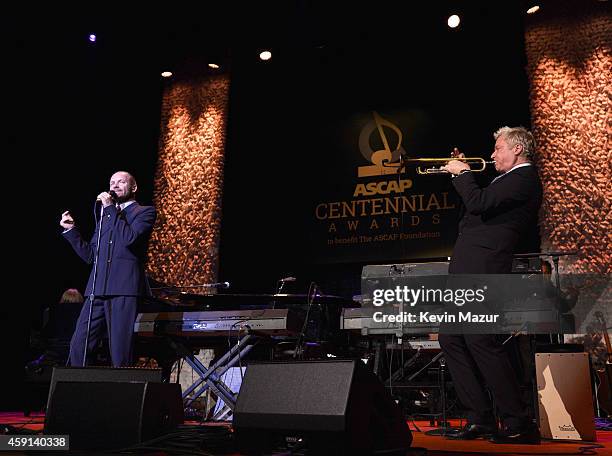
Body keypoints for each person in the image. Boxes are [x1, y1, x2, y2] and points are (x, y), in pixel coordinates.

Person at [438, 126, 542, 444]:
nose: (493, 154)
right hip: (468, 266)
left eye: (498, 148)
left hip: (483, 268)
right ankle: (478, 418)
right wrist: (463, 173)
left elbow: (479, 203)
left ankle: (518, 421)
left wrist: (462, 175)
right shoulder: (505, 180)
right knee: (451, 339)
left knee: (481, 341)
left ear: (518, 150)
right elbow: (478, 207)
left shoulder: (524, 178)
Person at [60, 171, 156, 367]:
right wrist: (72, 232)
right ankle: (79, 389)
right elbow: (90, 256)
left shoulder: (144, 212)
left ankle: (122, 393)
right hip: (97, 289)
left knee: (120, 349)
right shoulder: (106, 216)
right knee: (80, 343)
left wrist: (111, 210)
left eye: (121, 182)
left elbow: (129, 239)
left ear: (134, 187)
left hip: (124, 289)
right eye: (112, 182)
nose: (115, 185)